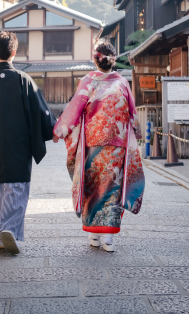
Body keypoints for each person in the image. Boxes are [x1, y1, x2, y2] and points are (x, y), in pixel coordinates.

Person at [0, 31, 56, 254]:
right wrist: (53, 129)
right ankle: (10, 230)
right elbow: (41, 113)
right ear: (14, 52)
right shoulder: (24, 80)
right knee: (16, 188)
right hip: (19, 147)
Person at [52, 42, 145, 252]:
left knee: (93, 187)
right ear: (113, 61)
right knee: (112, 187)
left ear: (96, 60)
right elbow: (132, 114)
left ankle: (94, 233)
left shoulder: (88, 81)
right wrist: (137, 134)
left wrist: (60, 131)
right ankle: (108, 238)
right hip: (117, 145)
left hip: (92, 142)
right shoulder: (122, 83)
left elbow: (74, 108)